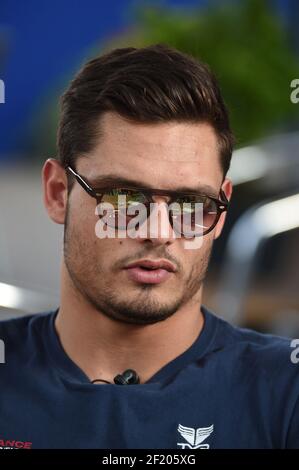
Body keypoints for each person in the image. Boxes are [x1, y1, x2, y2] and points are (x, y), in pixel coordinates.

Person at [0, 44, 298, 450]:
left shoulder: (285, 391)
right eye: (123, 197)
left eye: (191, 203)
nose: (158, 231)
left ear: (221, 211)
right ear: (57, 193)